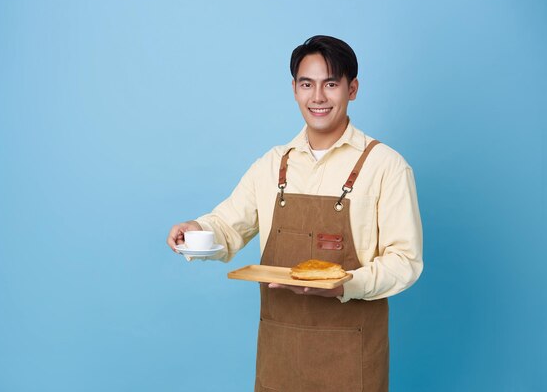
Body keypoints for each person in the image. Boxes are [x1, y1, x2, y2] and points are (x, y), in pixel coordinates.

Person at [167, 35, 423, 392]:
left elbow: (405, 261)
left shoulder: (386, 167)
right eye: (307, 84)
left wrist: (345, 285)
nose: (317, 97)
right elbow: (227, 224)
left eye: (330, 84)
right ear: (294, 89)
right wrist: (196, 228)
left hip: (352, 355)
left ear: (353, 89)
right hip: (280, 354)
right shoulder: (272, 164)